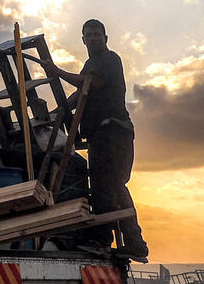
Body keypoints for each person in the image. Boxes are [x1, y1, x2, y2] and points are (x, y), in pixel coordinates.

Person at [41, 19, 149, 261]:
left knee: (108, 186)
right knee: (109, 185)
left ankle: (105, 240)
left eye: (97, 34)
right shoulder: (90, 64)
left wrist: (57, 72)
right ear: (83, 40)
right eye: (89, 35)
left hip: (114, 132)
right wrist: (57, 112)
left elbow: (91, 83)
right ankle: (133, 243)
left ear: (105, 38)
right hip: (100, 135)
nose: (93, 38)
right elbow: (81, 92)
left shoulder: (110, 59)